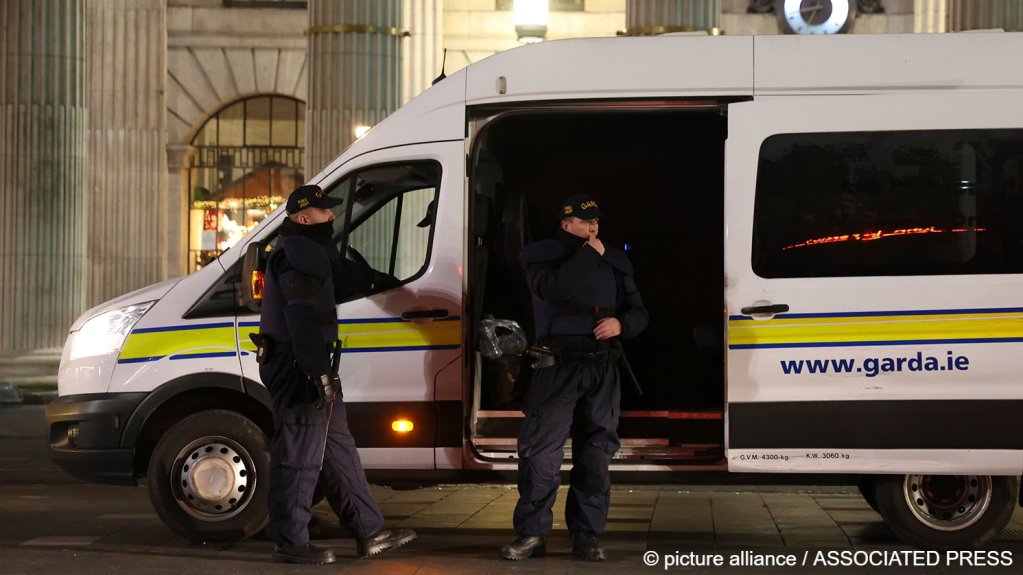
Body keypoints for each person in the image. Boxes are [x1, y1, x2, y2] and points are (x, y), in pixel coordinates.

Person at [256, 184, 416, 565]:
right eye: (324, 212)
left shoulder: (314, 250)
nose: (331, 216)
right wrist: (319, 374)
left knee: (337, 448)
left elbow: (343, 278)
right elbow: (302, 319)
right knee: (299, 454)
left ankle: (369, 530)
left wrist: (378, 280)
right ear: (302, 217)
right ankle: (290, 542)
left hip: (309, 362)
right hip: (298, 365)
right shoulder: (296, 253)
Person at [500, 194, 649, 562]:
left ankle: (586, 535)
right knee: (541, 453)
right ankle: (532, 535)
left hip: (601, 368)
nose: (593, 226)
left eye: (596, 220)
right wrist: (589, 254)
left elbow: (640, 312)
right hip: (557, 367)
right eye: (585, 221)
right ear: (566, 224)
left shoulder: (614, 259)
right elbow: (556, 289)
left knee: (597, 453)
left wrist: (622, 324)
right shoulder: (541, 255)